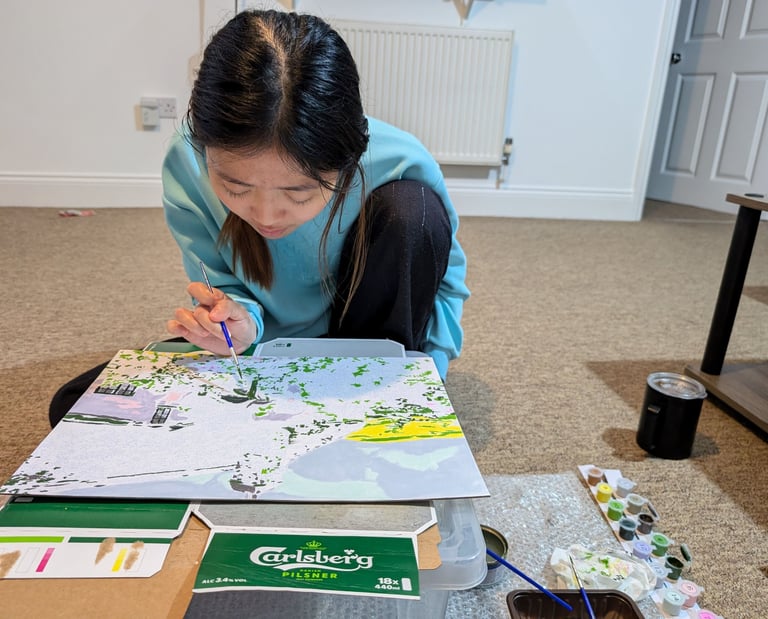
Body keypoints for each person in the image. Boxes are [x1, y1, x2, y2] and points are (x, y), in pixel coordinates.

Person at [48, 9, 469, 427]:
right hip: (264, 348)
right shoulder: (187, 159)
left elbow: (443, 286)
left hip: (365, 340)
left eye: (299, 191)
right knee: (76, 408)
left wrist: (426, 376)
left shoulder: (400, 158)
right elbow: (220, 287)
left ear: (349, 161)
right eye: (236, 188)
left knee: (413, 210)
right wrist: (241, 325)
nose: (265, 216)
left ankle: (372, 393)